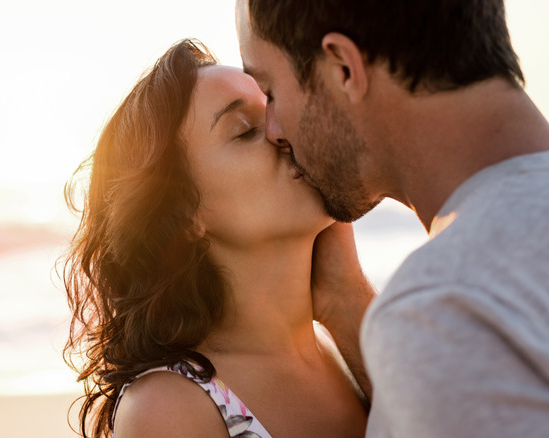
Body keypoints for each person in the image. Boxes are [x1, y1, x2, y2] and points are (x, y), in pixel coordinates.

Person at [235, 0, 549, 436]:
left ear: (344, 68)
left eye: (270, 92)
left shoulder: (446, 312)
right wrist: (345, 300)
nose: (274, 130)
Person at [62, 39, 369, 438]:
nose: (283, 130)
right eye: (244, 131)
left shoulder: (347, 347)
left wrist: (347, 297)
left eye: (275, 105)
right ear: (182, 214)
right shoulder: (169, 408)